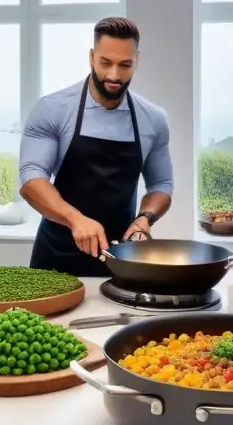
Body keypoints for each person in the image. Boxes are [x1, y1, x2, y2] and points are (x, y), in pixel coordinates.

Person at [20, 17, 174, 277]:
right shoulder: (52, 109)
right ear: (92, 57)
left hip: (121, 257)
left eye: (125, 65)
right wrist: (75, 219)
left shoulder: (154, 119)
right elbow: (30, 179)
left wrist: (144, 219)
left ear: (137, 60)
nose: (114, 75)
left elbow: (162, 184)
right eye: (106, 63)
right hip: (56, 256)